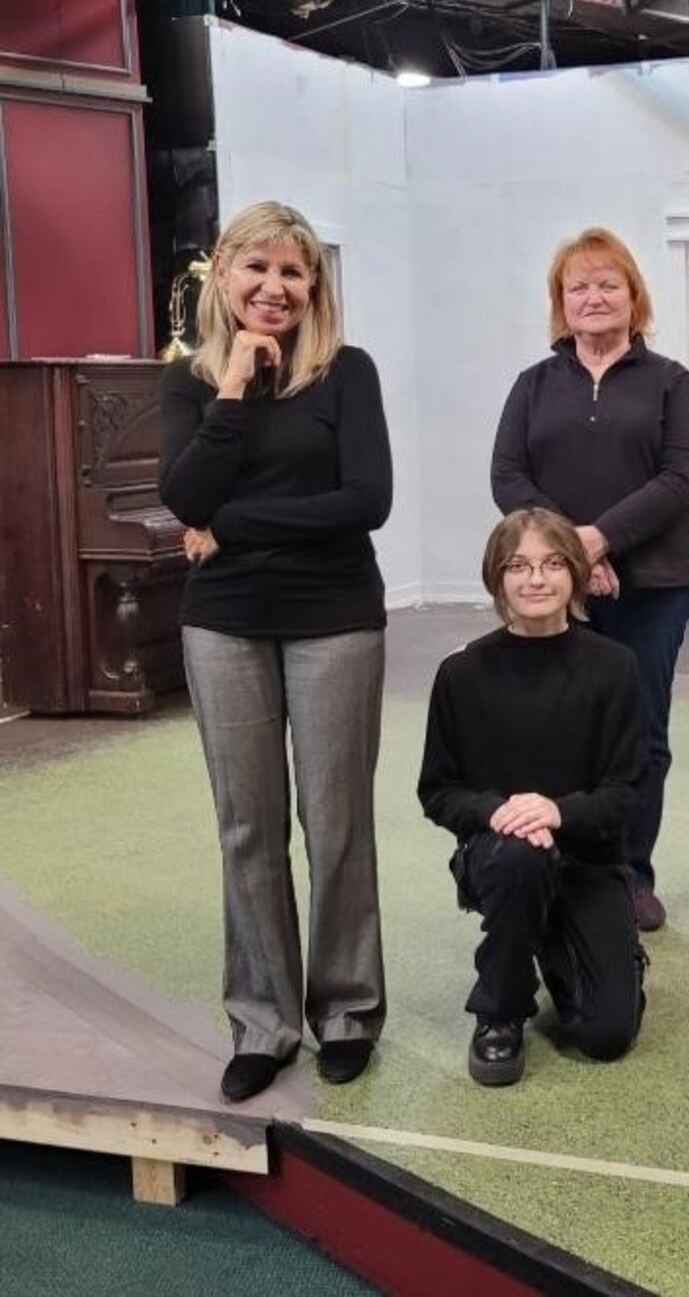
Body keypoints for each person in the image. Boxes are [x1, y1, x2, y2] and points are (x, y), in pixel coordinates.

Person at [158, 200, 391, 1103]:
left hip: (336, 617)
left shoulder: (347, 375)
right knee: (247, 827)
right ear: (223, 276)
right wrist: (232, 394)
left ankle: (345, 1011)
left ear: (314, 286)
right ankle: (263, 1022)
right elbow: (186, 497)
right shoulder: (190, 385)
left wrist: (235, 523)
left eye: (293, 272)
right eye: (257, 268)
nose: (274, 287)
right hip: (224, 622)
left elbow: (365, 501)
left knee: (336, 825)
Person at [491, 227, 689, 933]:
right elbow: (509, 477)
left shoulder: (671, 381)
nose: (592, 297)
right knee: (559, 730)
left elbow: (681, 477)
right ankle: (565, 865)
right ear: (560, 302)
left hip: (653, 586)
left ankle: (631, 875)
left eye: (607, 284)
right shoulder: (534, 385)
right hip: (557, 588)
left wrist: (599, 538)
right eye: (577, 286)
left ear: (633, 296)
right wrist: (572, 556)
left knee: (640, 732)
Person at [419, 509, 647, 1086]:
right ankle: (501, 1008)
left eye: (551, 564)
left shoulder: (614, 667)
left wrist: (557, 810)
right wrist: (498, 813)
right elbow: (439, 790)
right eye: (517, 566)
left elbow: (624, 792)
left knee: (605, 1036)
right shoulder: (461, 674)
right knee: (521, 855)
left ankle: (567, 943)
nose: (535, 579)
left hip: (589, 860)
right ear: (497, 578)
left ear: (575, 573)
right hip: (499, 859)